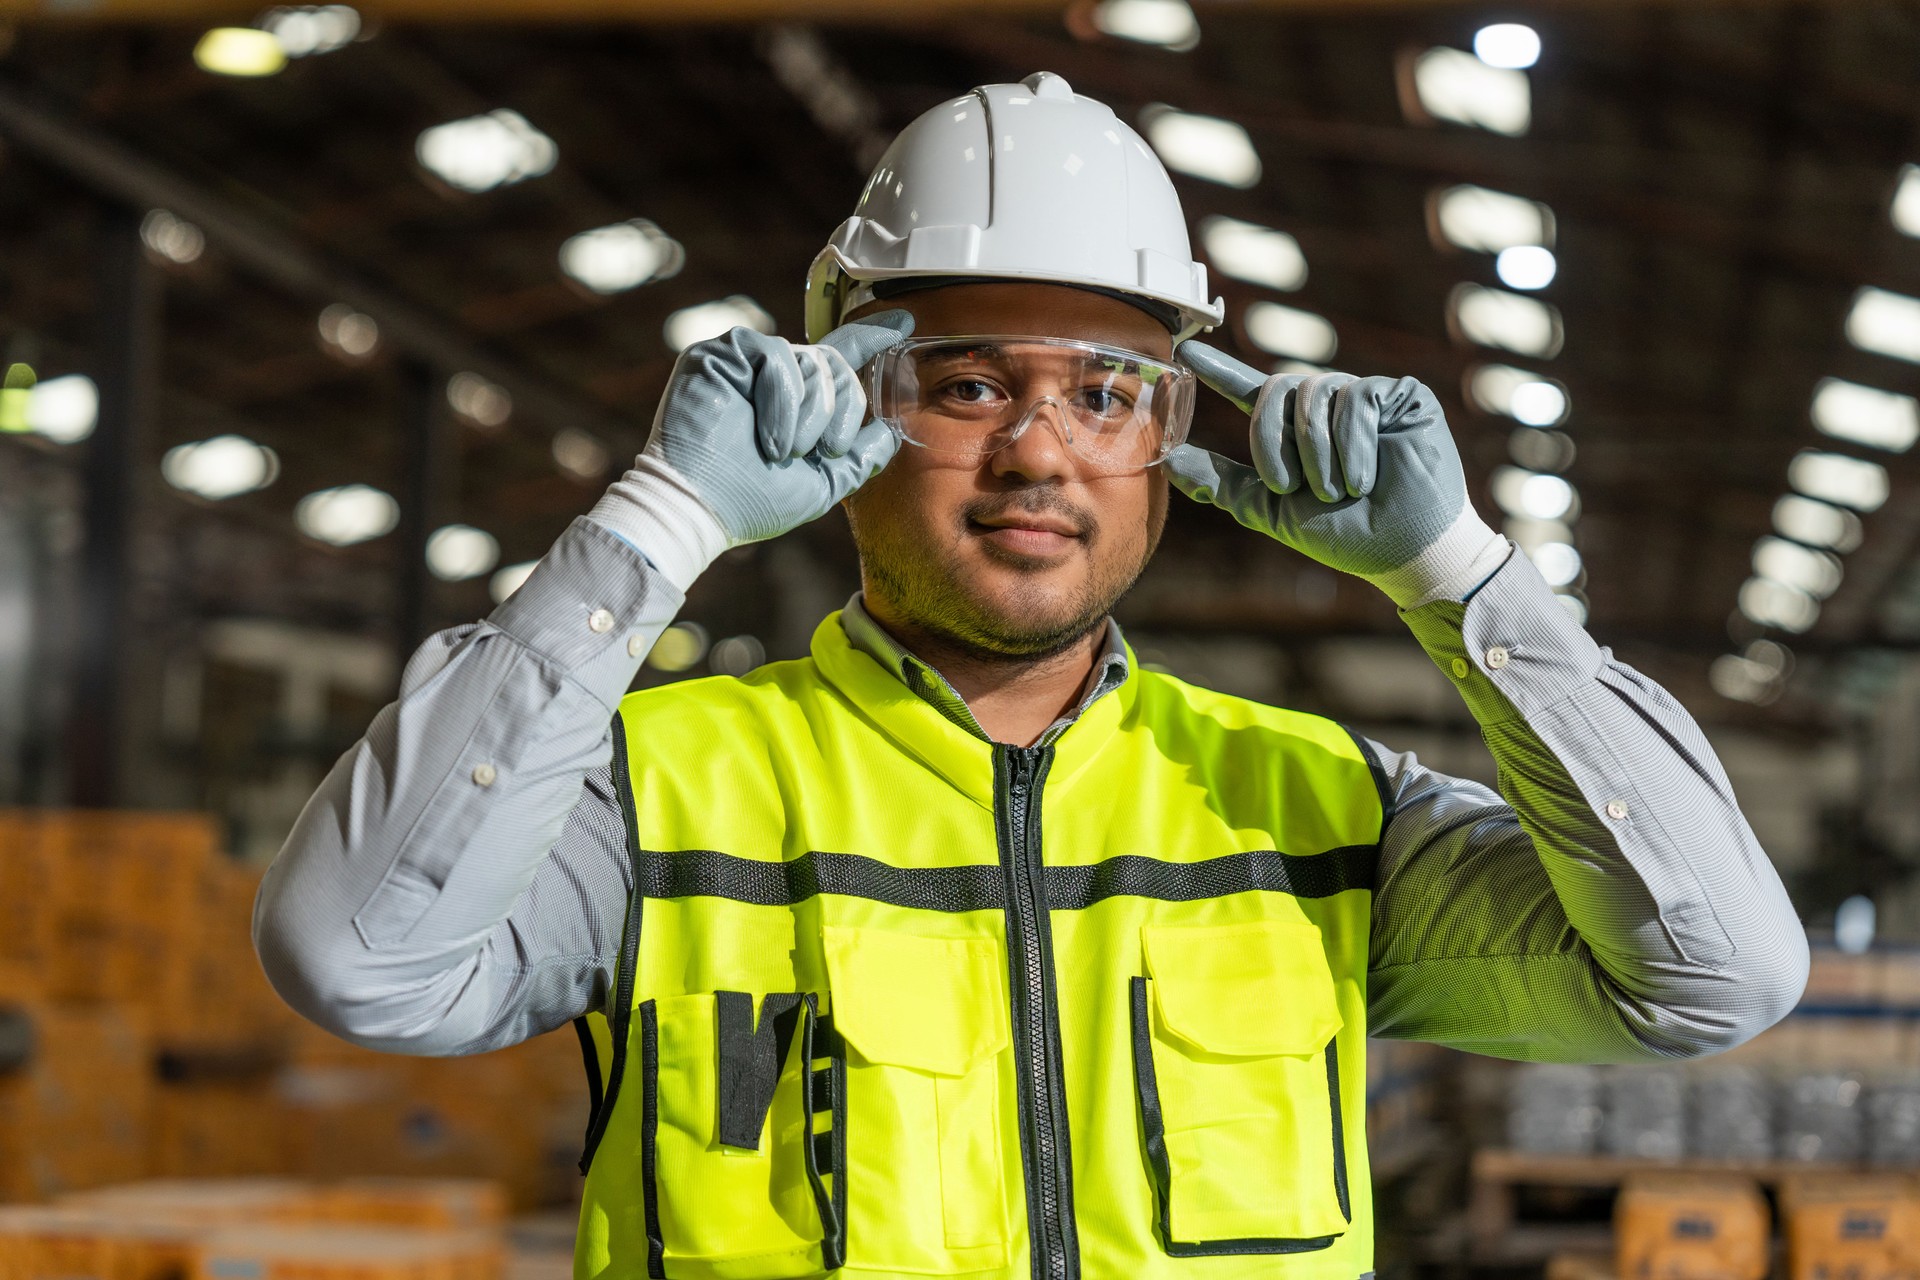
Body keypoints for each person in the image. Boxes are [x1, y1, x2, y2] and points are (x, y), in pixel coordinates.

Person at [256, 72, 1807, 1280]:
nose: (1041, 452)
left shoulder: (1313, 810)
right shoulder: (658, 797)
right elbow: (357, 957)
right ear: (842, 418)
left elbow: (1713, 977)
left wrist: (1457, 571)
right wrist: (658, 523)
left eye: (1109, 392)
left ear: (1168, 443)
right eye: (973, 384)